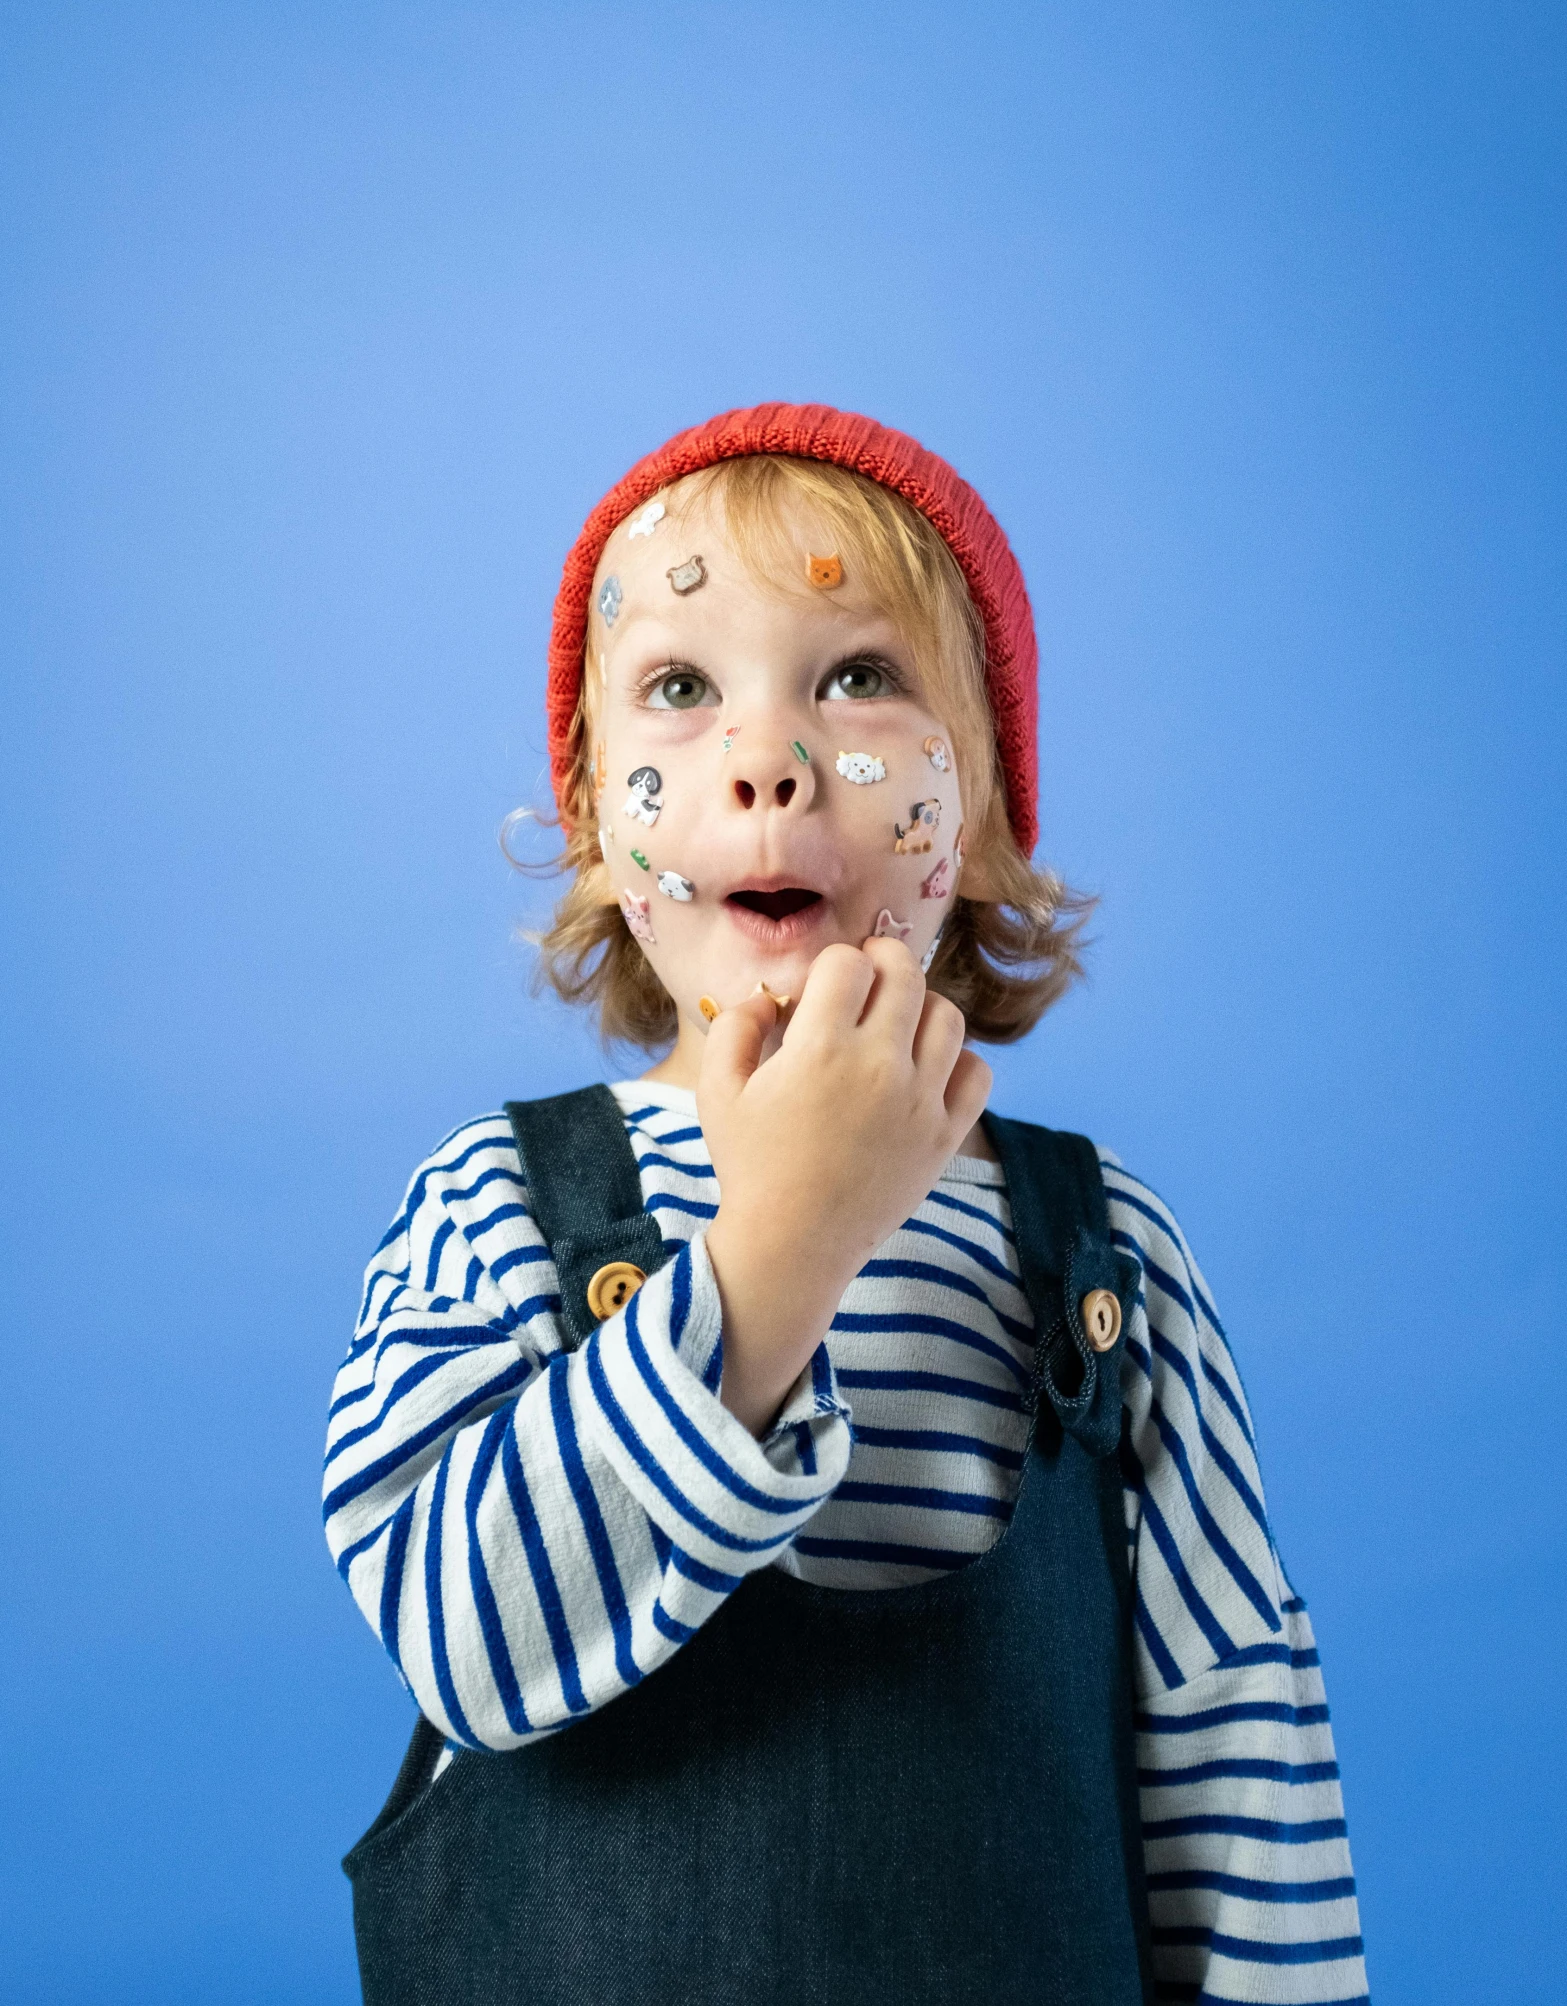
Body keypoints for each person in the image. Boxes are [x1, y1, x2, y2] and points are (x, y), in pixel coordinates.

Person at [323, 402, 1367, 2006]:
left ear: (989, 810)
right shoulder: (497, 1208)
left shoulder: (1103, 1258)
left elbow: (1240, 1755)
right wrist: (777, 1249)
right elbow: (466, 1643)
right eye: (679, 687)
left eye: (860, 677)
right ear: (597, 821)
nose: (768, 757)